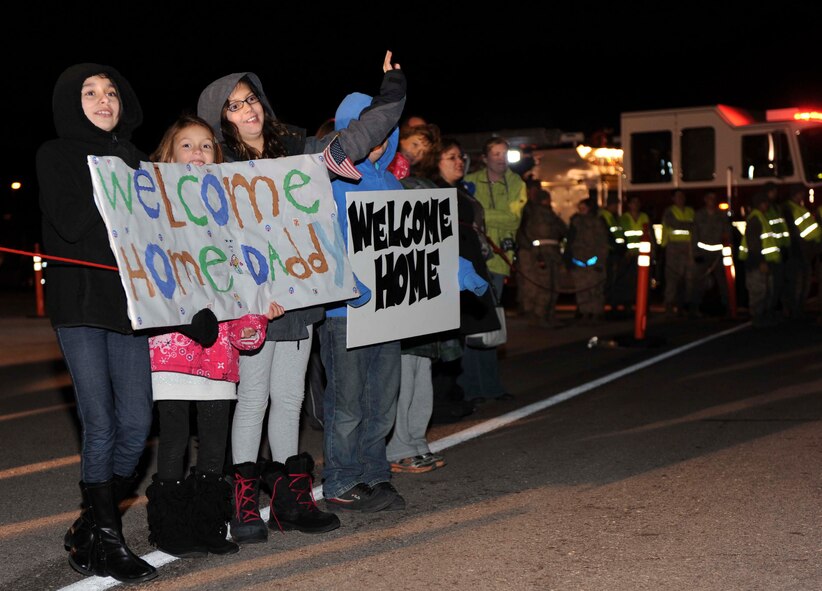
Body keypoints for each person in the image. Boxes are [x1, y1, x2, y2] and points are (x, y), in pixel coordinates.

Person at [197, 51, 405, 541]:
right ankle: (244, 502)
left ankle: (290, 500)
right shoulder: (214, 167)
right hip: (250, 301)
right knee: (252, 399)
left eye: (250, 100)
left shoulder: (302, 151)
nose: (247, 111)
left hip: (299, 296)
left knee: (289, 399)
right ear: (220, 119)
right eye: (233, 107)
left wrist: (393, 87)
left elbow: (361, 136)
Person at [143, 114, 287, 558]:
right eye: (187, 145)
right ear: (168, 155)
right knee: (172, 439)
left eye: (206, 146)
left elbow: (245, 276)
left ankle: (208, 525)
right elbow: (148, 275)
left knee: (214, 438)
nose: (198, 153)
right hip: (172, 345)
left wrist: (259, 312)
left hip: (218, 349)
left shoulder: (232, 217)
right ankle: (170, 529)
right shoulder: (153, 213)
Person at [36, 63, 158, 584]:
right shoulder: (57, 154)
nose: (104, 100)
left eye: (111, 92)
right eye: (90, 92)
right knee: (102, 423)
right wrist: (108, 166)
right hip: (80, 305)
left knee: (136, 424)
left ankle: (91, 522)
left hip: (130, 307)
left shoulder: (136, 159)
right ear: (72, 101)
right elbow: (69, 222)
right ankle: (109, 543)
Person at [320, 90, 407, 513]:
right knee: (348, 404)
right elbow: (319, 242)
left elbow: (416, 243)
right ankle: (340, 479)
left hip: (390, 312)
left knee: (383, 402)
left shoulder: (393, 182)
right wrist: (348, 283)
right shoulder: (332, 180)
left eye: (386, 129)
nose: (380, 137)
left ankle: (375, 473)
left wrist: (458, 272)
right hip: (345, 313)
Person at [461, 137, 526, 402]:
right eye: (496, 154)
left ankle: (491, 388)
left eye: (505, 154)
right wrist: (481, 215)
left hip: (498, 263)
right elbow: (465, 216)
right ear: (485, 158)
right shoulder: (471, 180)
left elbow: (513, 220)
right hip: (471, 259)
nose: (501, 158)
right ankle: (470, 388)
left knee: (490, 327)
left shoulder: (517, 183)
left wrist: (481, 212)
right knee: (469, 327)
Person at [515, 185, 567, 325]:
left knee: (552, 285)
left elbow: (562, 230)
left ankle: (547, 315)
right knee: (544, 286)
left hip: (551, 254)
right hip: (541, 254)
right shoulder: (532, 214)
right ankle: (540, 316)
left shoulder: (549, 214)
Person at [740, 192, 782, 327]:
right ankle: (757, 318)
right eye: (765, 203)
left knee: (766, 290)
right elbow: (754, 244)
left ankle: (762, 316)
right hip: (757, 263)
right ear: (760, 204)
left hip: (763, 262)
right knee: (759, 291)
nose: (767, 206)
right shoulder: (755, 219)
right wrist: (761, 262)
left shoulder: (760, 217)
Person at [565, 198, 610, 323]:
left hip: (594, 261)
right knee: (581, 289)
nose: (581, 210)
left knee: (595, 290)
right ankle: (585, 312)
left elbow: (603, 243)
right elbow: (570, 242)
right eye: (579, 207)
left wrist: (600, 261)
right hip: (578, 261)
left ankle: (596, 313)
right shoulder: (574, 222)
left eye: (583, 207)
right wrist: (569, 260)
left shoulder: (597, 222)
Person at [690, 191, 732, 317]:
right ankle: (694, 309)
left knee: (723, 282)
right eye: (709, 198)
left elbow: (728, 234)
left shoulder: (722, 215)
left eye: (713, 198)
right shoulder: (698, 215)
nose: (711, 201)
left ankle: (728, 308)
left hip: (718, 255)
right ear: (705, 199)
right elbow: (694, 235)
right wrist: (696, 254)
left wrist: (727, 252)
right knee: (699, 282)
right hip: (703, 254)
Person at [782, 186, 821, 319]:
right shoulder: (790, 209)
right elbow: (795, 232)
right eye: (800, 194)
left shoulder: (798, 207)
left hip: (805, 250)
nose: (802, 197)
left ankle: (798, 308)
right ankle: (794, 309)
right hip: (798, 251)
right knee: (797, 281)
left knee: (805, 280)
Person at [661, 190, 696, 316]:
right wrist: (689, 225)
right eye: (678, 196)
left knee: (688, 278)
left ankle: (684, 306)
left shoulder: (690, 211)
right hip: (673, 249)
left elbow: (695, 227)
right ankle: (669, 305)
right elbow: (675, 224)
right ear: (673, 199)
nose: (681, 198)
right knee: (672, 278)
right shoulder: (669, 212)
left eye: (682, 196)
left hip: (689, 249)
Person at [619, 195, 652, 310]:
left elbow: (650, 235)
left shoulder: (644, 217)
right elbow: (621, 237)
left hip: (642, 255)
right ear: (629, 205)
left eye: (638, 202)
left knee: (643, 280)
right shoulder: (624, 218)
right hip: (629, 255)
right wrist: (624, 252)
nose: (636, 205)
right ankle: (627, 305)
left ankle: (643, 305)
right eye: (633, 202)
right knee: (628, 281)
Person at [597, 194, 627, 312]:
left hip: (615, 253)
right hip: (609, 253)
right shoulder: (604, 217)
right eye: (615, 204)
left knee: (614, 279)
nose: (617, 207)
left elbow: (619, 234)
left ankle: (613, 303)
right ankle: (607, 304)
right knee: (608, 279)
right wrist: (619, 248)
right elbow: (607, 236)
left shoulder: (614, 217)